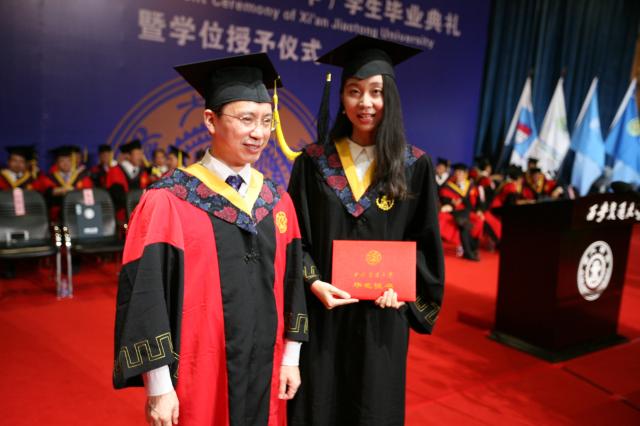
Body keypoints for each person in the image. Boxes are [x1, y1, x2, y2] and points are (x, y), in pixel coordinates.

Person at [113, 53, 308, 426]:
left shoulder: (276, 201)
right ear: (210, 120)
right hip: (199, 375)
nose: (259, 133)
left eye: (266, 120)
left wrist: (291, 358)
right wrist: (159, 385)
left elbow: (292, 283)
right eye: (246, 119)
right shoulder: (168, 200)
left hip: (266, 370)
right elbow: (146, 295)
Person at [287, 36, 445, 426]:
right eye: (354, 91)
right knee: (319, 406)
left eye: (376, 92)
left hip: (381, 322)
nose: (365, 103)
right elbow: (294, 239)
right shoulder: (313, 163)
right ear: (341, 98)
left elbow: (426, 243)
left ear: (390, 98)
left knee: (371, 409)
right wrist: (312, 282)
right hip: (324, 317)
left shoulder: (413, 165)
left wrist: (404, 293)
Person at [37, 145, 93, 223]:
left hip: (79, 215)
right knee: (59, 230)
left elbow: (88, 194)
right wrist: (71, 190)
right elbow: (48, 192)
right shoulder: (50, 178)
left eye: (69, 160)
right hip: (57, 217)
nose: (66, 163)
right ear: (56, 163)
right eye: (62, 161)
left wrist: (62, 190)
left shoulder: (82, 177)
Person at [439, 163, 483, 260]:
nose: (458, 174)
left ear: (465, 174)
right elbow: (444, 198)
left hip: (467, 211)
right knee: (464, 223)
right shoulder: (449, 185)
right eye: (456, 172)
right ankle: (471, 251)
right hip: (455, 211)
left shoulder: (471, 186)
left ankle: (470, 251)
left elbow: (477, 202)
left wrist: (479, 210)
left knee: (468, 222)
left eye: (460, 172)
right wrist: (451, 202)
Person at [106, 139, 151, 222]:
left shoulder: (143, 172)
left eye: (141, 154)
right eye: (137, 154)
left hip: (143, 215)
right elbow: (117, 196)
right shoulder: (116, 171)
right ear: (128, 155)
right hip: (123, 217)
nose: (141, 157)